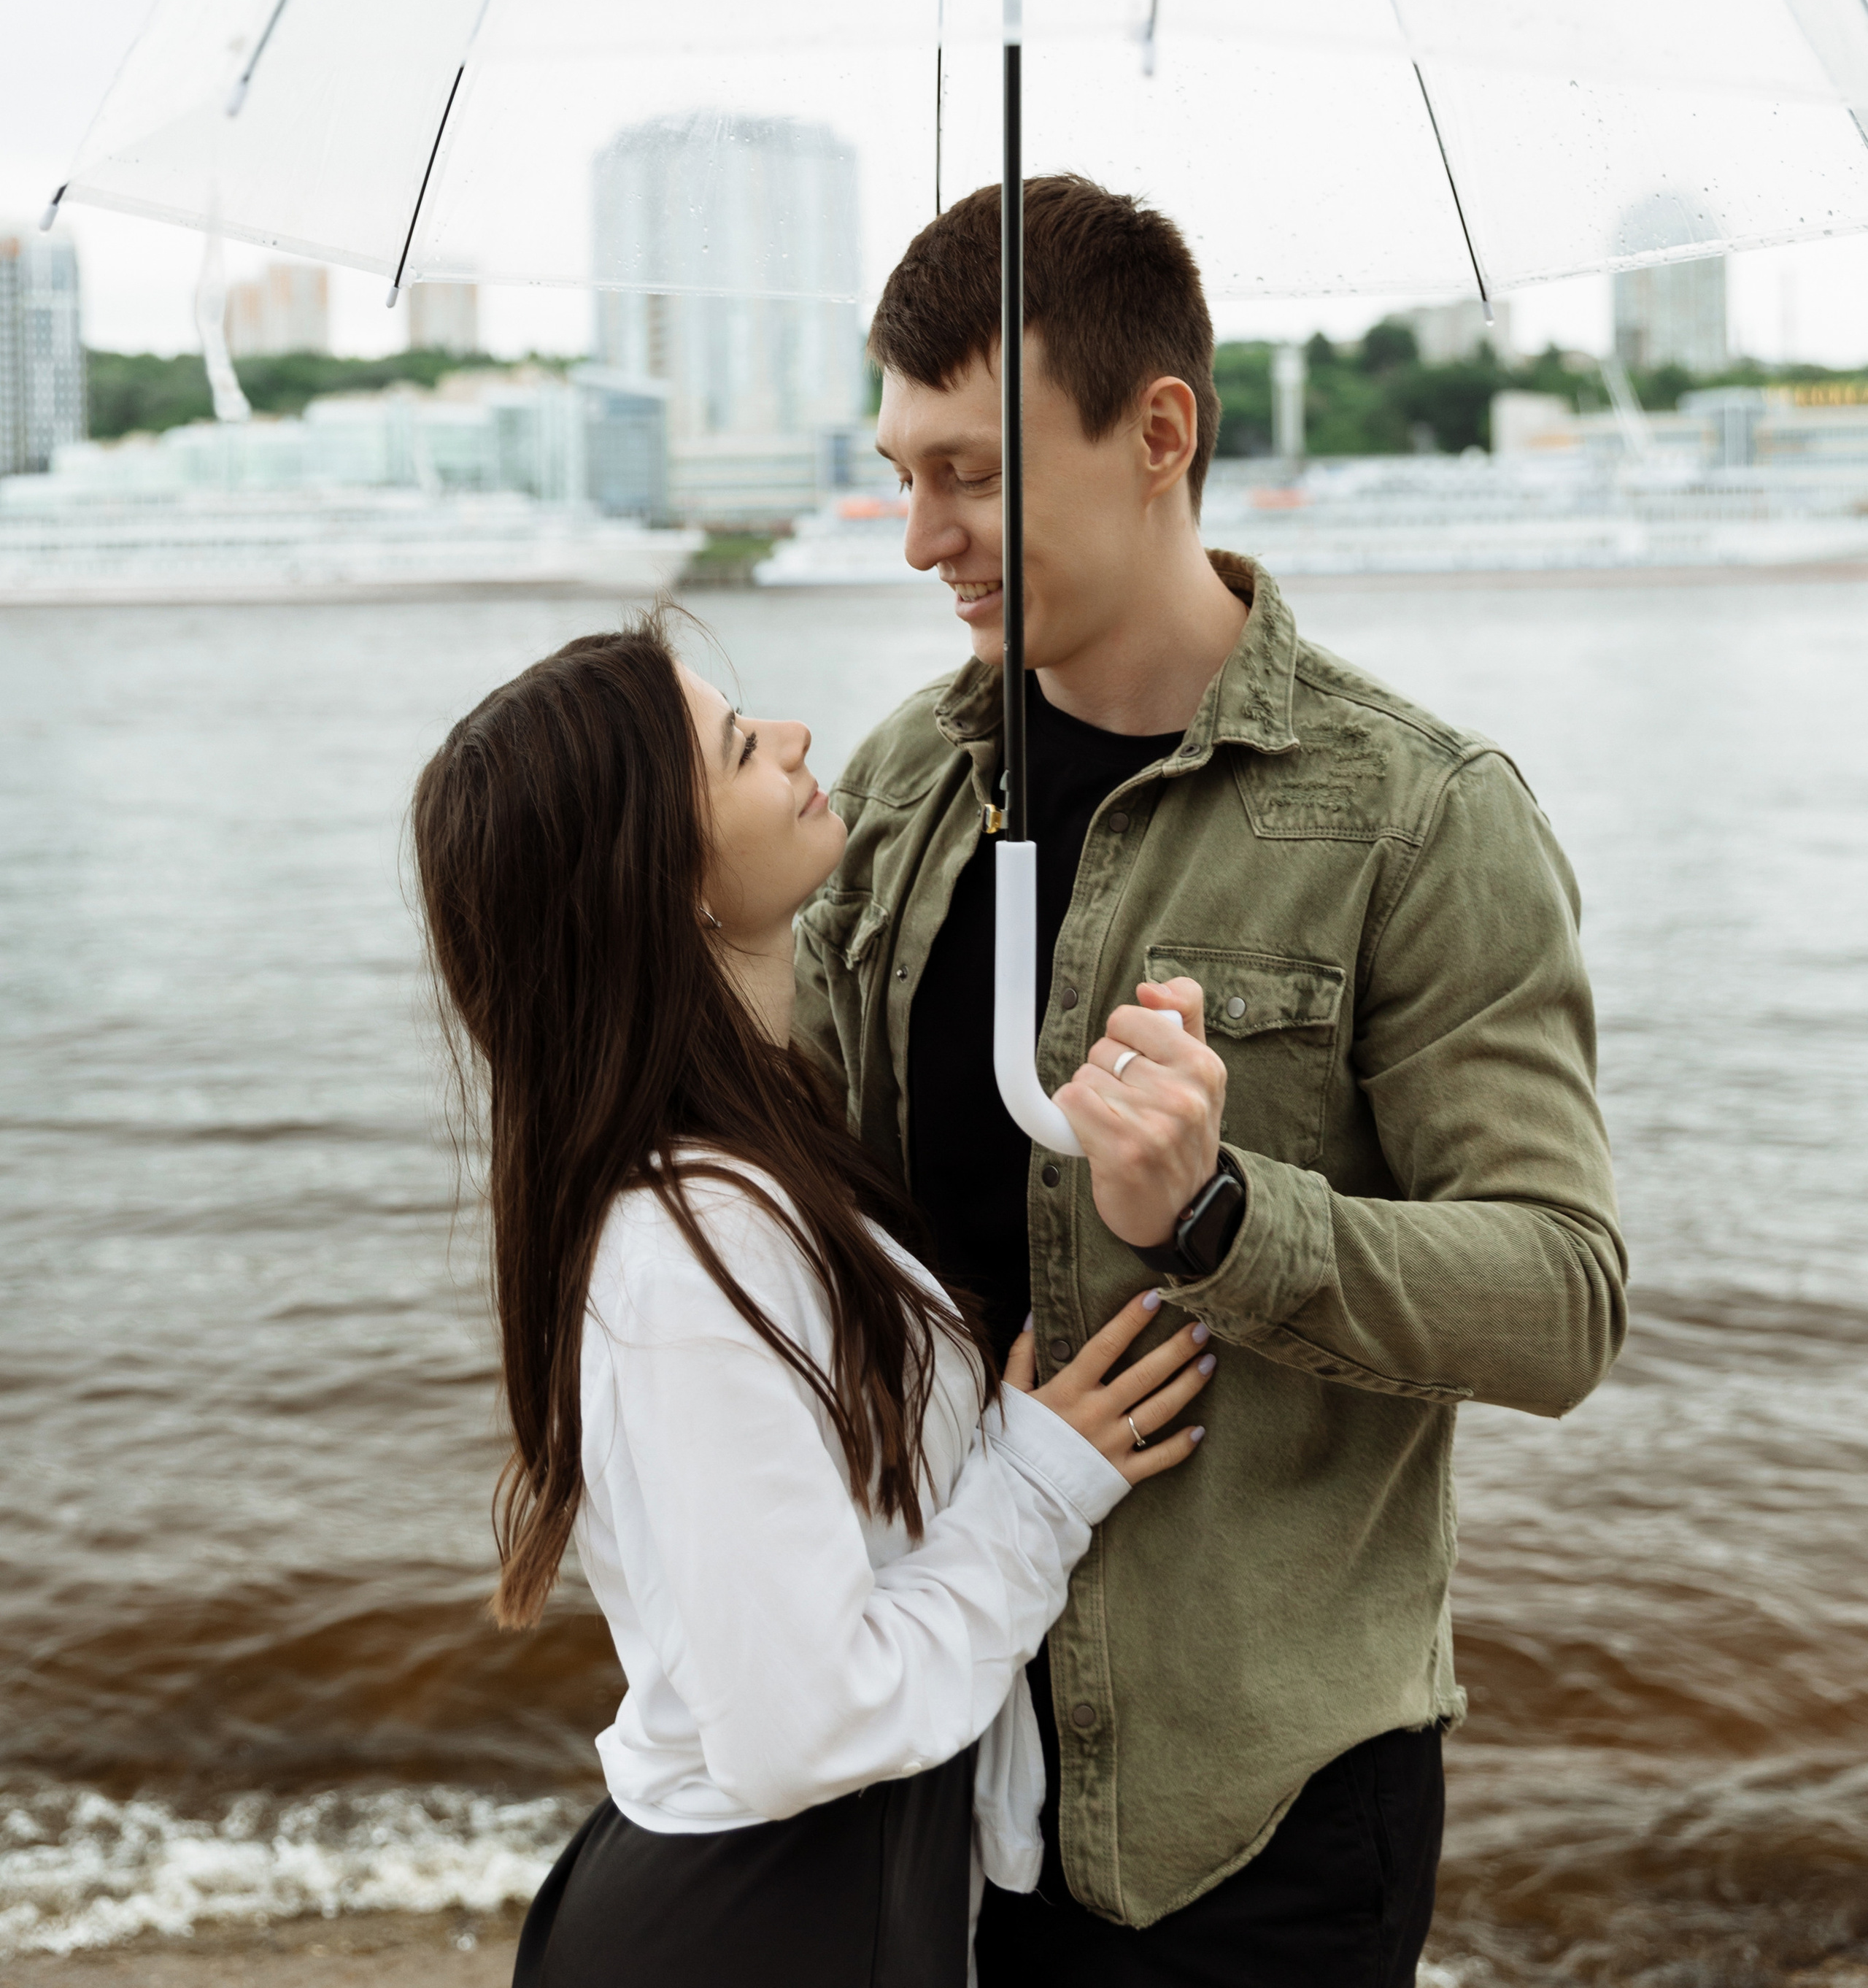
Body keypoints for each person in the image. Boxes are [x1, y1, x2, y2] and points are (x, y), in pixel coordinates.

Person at [792, 175, 1629, 1986]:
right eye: (902, 465)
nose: (918, 532)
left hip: (1250, 1821)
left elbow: (1562, 1301)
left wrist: (1221, 1215)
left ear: (1157, 434)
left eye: (973, 471)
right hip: (925, 1762)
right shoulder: (896, 789)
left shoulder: (1417, 815)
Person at [410, 616, 1216, 1988]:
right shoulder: (683, 1247)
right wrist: (1038, 1486)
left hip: (809, 1898)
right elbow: (798, 1727)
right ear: (668, 884)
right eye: (739, 746)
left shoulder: (749, 1162)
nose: (791, 740)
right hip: (757, 1918)